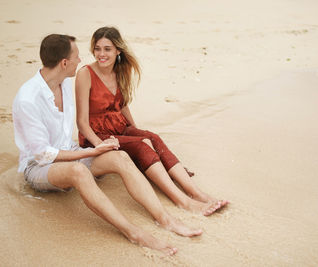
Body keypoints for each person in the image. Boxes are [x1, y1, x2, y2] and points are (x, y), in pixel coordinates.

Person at [12, 34, 205, 256]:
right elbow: (43, 154)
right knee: (78, 171)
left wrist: (98, 148)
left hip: (70, 151)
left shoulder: (64, 83)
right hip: (38, 167)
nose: (81, 59)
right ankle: (133, 232)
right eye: (76, 56)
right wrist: (92, 150)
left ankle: (165, 219)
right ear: (64, 63)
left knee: (120, 156)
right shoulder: (28, 99)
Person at [75, 26, 228, 216]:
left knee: (151, 138)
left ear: (118, 51)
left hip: (119, 127)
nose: (101, 54)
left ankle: (196, 193)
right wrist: (99, 145)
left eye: (107, 49)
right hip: (96, 135)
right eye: (97, 48)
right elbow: (81, 122)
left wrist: (136, 131)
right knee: (141, 145)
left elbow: (121, 105)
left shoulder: (120, 70)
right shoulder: (85, 74)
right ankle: (183, 201)